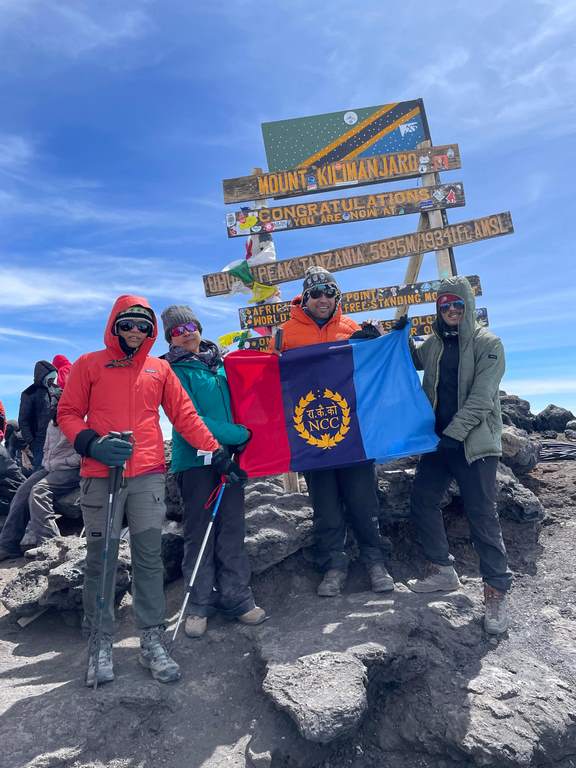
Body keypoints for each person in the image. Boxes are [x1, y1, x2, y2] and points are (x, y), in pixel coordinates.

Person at [58, 295, 242, 686]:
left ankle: (151, 640)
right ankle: (101, 642)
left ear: (151, 331)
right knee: (101, 559)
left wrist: (217, 453)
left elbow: (185, 416)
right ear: (114, 326)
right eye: (127, 324)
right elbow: (68, 413)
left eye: (143, 325)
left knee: (148, 558)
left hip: (147, 474)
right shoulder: (89, 365)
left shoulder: (159, 370)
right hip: (100, 473)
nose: (135, 332)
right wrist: (92, 443)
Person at [274, 266, 394, 597]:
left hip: (353, 433)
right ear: (305, 297)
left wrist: (377, 342)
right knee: (325, 507)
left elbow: (371, 370)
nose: (323, 298)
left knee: (363, 502)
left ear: (336, 296)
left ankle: (375, 563)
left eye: (329, 292)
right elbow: (272, 378)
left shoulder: (351, 327)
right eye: (315, 293)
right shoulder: (285, 333)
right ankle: (334, 567)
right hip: (310, 435)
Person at [407, 276, 512, 634]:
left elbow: (483, 398)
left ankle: (496, 592)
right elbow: (407, 359)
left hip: (475, 445)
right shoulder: (434, 344)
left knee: (482, 515)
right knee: (422, 500)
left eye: (457, 304)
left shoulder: (489, 343)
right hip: (440, 443)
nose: (451, 310)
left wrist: (454, 433)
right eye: (444, 305)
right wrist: (391, 336)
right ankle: (442, 571)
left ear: (467, 306)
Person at [161, 305, 265, 638]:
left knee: (232, 527)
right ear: (170, 338)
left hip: (229, 459)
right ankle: (198, 604)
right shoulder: (172, 370)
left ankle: (237, 597)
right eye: (178, 330)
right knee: (199, 532)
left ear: (200, 327)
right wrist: (239, 434)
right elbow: (188, 418)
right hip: (195, 462)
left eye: (190, 325)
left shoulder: (221, 364)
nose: (186, 332)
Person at [23, 383, 81, 548]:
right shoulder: (53, 422)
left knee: (39, 492)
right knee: (22, 492)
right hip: (52, 467)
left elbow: (83, 454)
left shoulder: (80, 419)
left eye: (57, 401)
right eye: (53, 401)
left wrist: (60, 463)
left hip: (71, 469)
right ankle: (8, 545)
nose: (53, 405)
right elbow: (48, 449)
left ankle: (51, 546)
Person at [18, 360, 57, 470]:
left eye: (53, 379)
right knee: (40, 471)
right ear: (42, 376)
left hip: (56, 439)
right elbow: (23, 421)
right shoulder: (29, 393)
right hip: (39, 442)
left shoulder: (57, 390)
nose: (52, 381)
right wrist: (31, 441)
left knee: (57, 471)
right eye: (50, 379)